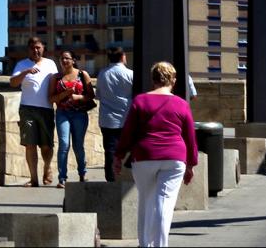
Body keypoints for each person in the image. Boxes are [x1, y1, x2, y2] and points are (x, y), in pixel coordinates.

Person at [113, 61, 198, 248]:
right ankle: (161, 244)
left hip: (144, 157)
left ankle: (145, 244)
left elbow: (128, 132)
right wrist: (191, 164)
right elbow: (190, 136)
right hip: (175, 158)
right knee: (164, 203)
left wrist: (118, 156)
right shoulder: (182, 104)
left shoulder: (140, 101)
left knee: (146, 200)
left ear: (153, 80)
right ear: (173, 80)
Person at [9, 37, 58, 186]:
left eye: (38, 47)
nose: (35, 50)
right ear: (28, 49)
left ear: (43, 48)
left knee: (46, 145)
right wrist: (25, 72)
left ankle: (47, 167)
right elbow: (13, 83)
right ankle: (34, 179)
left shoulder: (50, 64)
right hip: (27, 110)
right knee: (30, 144)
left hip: (46, 109)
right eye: (32, 48)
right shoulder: (21, 64)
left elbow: (56, 83)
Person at [49, 50, 94, 187]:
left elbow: (91, 95)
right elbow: (51, 98)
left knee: (78, 145)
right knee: (64, 144)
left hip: (79, 114)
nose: (64, 61)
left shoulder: (82, 74)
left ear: (73, 60)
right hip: (63, 113)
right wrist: (64, 94)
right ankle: (62, 178)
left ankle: (82, 172)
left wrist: (78, 97)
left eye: (67, 58)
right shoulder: (55, 78)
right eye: (62, 58)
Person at [97, 46, 134, 182]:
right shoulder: (130, 74)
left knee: (110, 151)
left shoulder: (102, 74)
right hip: (126, 118)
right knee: (128, 149)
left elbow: (99, 95)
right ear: (123, 57)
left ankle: (111, 178)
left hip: (107, 119)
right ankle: (126, 176)